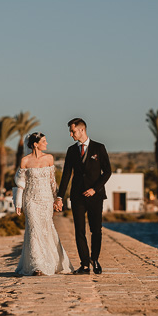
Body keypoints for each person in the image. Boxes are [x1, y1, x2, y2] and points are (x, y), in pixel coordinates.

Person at [54, 118, 112, 275]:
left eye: (72, 131)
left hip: (96, 196)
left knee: (96, 230)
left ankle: (96, 260)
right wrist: (60, 197)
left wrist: (95, 188)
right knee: (79, 230)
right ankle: (85, 265)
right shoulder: (71, 151)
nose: (71, 134)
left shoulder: (99, 148)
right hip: (77, 197)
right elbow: (66, 174)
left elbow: (107, 172)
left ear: (81, 130)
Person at [12, 132, 72, 276]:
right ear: (35, 144)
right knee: (34, 230)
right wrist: (18, 203)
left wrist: (58, 199)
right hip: (31, 200)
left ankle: (52, 261)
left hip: (46, 199)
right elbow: (21, 184)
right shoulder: (25, 161)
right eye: (44, 141)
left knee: (46, 229)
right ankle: (36, 266)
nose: (46, 144)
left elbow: (52, 182)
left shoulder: (49, 159)